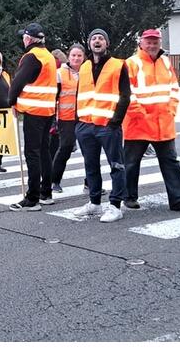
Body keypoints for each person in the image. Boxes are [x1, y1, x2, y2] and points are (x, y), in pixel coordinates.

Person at [122, 29, 180, 212]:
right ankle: (128, 196)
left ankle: (178, 199)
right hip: (138, 123)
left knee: (170, 161)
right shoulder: (131, 63)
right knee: (131, 162)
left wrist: (171, 109)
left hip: (163, 122)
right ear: (141, 42)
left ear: (160, 43)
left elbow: (173, 88)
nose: (152, 45)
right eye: (149, 41)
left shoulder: (165, 61)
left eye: (155, 41)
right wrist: (141, 114)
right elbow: (126, 93)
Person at [72, 30, 131, 223]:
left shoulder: (118, 65)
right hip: (86, 125)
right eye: (93, 39)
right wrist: (77, 121)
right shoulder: (85, 66)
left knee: (116, 165)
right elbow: (79, 94)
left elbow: (125, 95)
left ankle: (115, 205)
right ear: (89, 44)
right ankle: (94, 202)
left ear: (107, 43)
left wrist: (115, 121)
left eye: (101, 38)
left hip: (108, 125)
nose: (97, 41)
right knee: (91, 165)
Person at [7, 22, 57, 211]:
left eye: (24, 36)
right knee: (44, 152)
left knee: (32, 154)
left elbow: (18, 81)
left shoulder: (31, 56)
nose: (23, 39)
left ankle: (32, 198)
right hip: (47, 111)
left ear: (28, 38)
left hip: (33, 111)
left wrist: (11, 101)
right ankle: (46, 193)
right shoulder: (49, 56)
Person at [50, 44, 84, 193]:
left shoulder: (88, 72)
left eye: (79, 56)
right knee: (65, 148)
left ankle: (90, 183)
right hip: (66, 118)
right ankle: (54, 180)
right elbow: (53, 97)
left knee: (90, 151)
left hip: (85, 117)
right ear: (69, 56)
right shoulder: (59, 73)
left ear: (83, 58)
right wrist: (53, 119)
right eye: (73, 55)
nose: (76, 58)